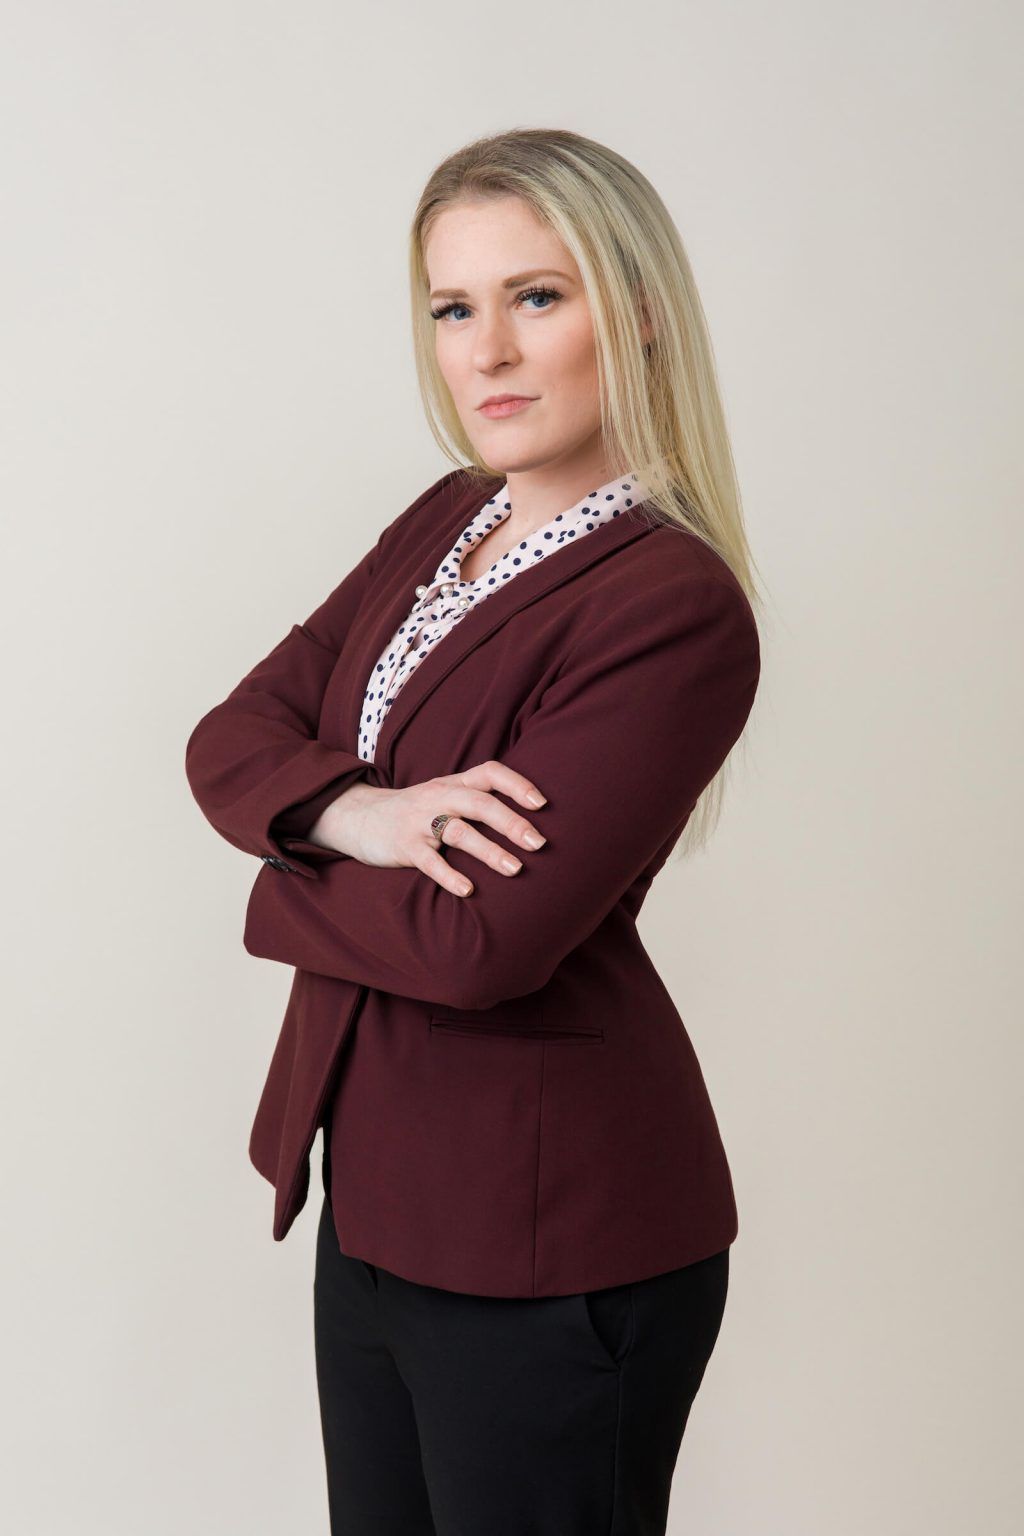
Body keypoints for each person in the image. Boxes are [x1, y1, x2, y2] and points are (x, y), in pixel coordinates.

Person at [185, 126, 763, 1536]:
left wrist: (277, 884)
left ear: (630, 310)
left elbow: (477, 943)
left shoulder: (669, 605)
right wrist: (364, 815)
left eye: (536, 297)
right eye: (454, 308)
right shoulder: (445, 524)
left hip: (553, 1238)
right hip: (380, 1209)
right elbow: (228, 738)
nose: (488, 349)